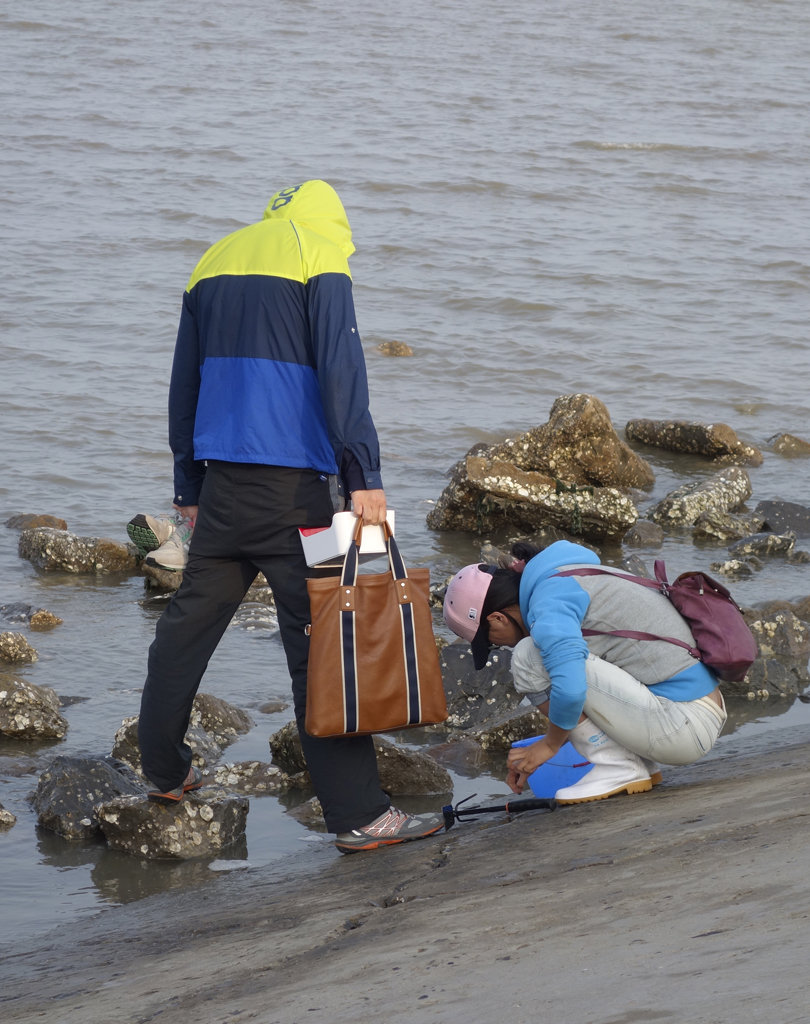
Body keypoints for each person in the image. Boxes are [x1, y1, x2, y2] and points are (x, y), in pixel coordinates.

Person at [137, 180, 444, 853]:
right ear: (333, 222)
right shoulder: (320, 255)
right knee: (322, 655)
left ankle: (163, 770)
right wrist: (363, 474)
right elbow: (342, 370)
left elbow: (183, 378)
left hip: (221, 486)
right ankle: (360, 816)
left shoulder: (215, 257)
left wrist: (187, 481)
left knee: (184, 632)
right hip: (294, 494)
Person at [443, 538, 727, 804]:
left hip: (683, 726)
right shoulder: (563, 574)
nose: (498, 647)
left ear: (497, 617)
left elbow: (571, 688)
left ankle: (617, 767)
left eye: (490, 642)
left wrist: (549, 746)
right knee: (555, 657)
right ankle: (631, 764)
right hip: (693, 713)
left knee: (528, 656)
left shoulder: (549, 606)